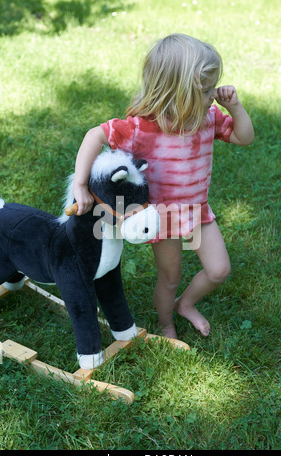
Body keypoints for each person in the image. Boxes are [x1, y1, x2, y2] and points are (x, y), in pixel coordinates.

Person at [72, 33, 254, 339]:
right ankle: (166, 322)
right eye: (207, 89)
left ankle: (187, 304)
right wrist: (79, 184)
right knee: (170, 278)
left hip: (198, 211)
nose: (213, 95)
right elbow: (95, 135)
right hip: (162, 217)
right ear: (180, 91)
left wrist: (234, 107)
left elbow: (244, 137)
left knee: (219, 270)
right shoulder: (142, 127)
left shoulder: (208, 116)